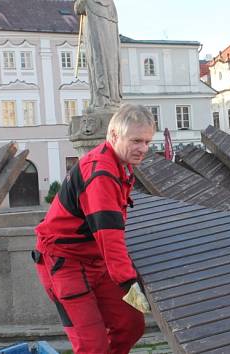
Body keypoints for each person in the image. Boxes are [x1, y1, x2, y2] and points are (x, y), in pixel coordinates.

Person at [33, 104, 155, 353]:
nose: (143, 148)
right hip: (64, 264)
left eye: (146, 141)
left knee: (130, 325)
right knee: (93, 346)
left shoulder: (118, 164)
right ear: (113, 136)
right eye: (136, 141)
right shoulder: (101, 172)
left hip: (94, 261)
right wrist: (129, 283)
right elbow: (109, 236)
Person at [74, 0, 122, 112]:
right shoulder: (111, 5)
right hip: (105, 16)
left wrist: (79, 4)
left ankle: (102, 100)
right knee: (107, 60)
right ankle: (111, 98)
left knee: (98, 58)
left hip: (95, 17)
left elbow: (79, 7)